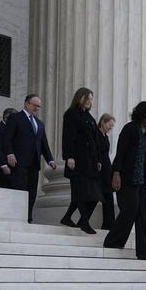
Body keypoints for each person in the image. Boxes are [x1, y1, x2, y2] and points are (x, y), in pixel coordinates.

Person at [103, 102, 146, 261]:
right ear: (142, 113)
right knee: (130, 210)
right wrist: (116, 173)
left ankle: (144, 252)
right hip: (127, 179)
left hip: (143, 181)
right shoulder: (130, 128)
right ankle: (113, 241)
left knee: (144, 215)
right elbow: (120, 153)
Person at [4, 94, 57, 223]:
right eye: (34, 105)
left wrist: (50, 159)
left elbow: (44, 143)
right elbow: (7, 138)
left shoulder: (40, 123)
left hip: (34, 163)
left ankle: (28, 216)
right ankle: (17, 215)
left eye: (38, 106)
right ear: (26, 104)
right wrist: (10, 154)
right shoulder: (15, 118)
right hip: (19, 161)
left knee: (32, 191)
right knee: (20, 189)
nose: (36, 108)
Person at [60, 87, 102, 234]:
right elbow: (68, 137)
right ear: (80, 98)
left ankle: (69, 218)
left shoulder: (90, 118)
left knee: (94, 195)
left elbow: (94, 140)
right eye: (88, 98)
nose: (90, 101)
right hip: (77, 160)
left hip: (90, 161)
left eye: (91, 99)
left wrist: (97, 159)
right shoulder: (71, 114)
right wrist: (69, 157)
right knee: (81, 193)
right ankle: (84, 222)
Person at [96, 113, 116, 230]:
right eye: (110, 124)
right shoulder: (96, 135)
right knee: (102, 196)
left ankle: (109, 224)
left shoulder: (106, 137)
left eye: (112, 126)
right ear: (103, 121)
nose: (111, 127)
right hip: (100, 168)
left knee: (108, 196)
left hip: (107, 168)